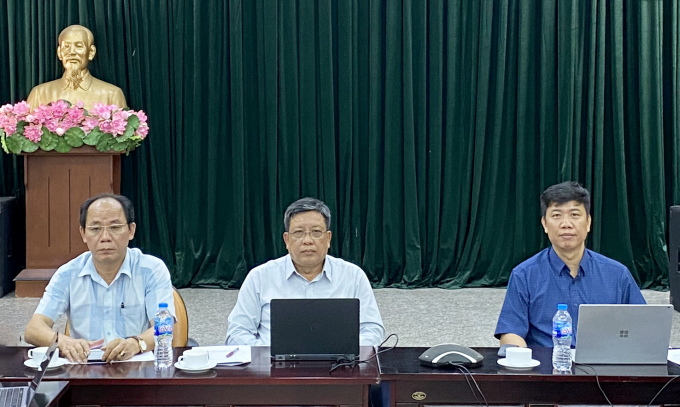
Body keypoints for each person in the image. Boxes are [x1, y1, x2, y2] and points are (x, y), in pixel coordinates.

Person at [24, 194, 175, 363]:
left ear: (131, 230)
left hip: (137, 370)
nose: (105, 237)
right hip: (85, 372)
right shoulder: (67, 274)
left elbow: (165, 329)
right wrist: (63, 342)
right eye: (95, 229)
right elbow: (33, 329)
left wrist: (136, 343)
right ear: (83, 233)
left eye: (115, 227)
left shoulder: (152, 270)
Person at [495, 181, 646, 348]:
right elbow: (510, 334)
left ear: (588, 222)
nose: (566, 224)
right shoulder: (524, 275)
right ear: (545, 224)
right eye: (557, 215)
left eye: (574, 215)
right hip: (546, 368)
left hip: (604, 367)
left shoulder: (617, 274)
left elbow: (642, 327)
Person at [226, 197, 385, 346]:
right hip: (275, 370)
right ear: (287, 240)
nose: (307, 240)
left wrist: (346, 352)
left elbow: (372, 329)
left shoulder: (353, 276)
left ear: (328, 238)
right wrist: (268, 355)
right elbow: (237, 332)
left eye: (316, 232)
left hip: (339, 368)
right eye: (299, 233)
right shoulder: (260, 277)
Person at [26, 25, 127, 111]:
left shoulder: (112, 94)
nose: (72, 52)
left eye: (79, 46)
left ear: (91, 52)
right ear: (60, 53)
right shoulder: (39, 93)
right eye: (66, 46)